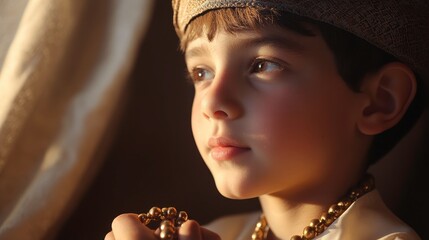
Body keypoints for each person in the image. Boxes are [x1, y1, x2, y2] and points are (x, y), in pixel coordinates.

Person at [105, 1, 428, 239]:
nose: (213, 102)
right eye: (201, 73)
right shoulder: (220, 234)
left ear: (379, 101)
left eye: (264, 65)